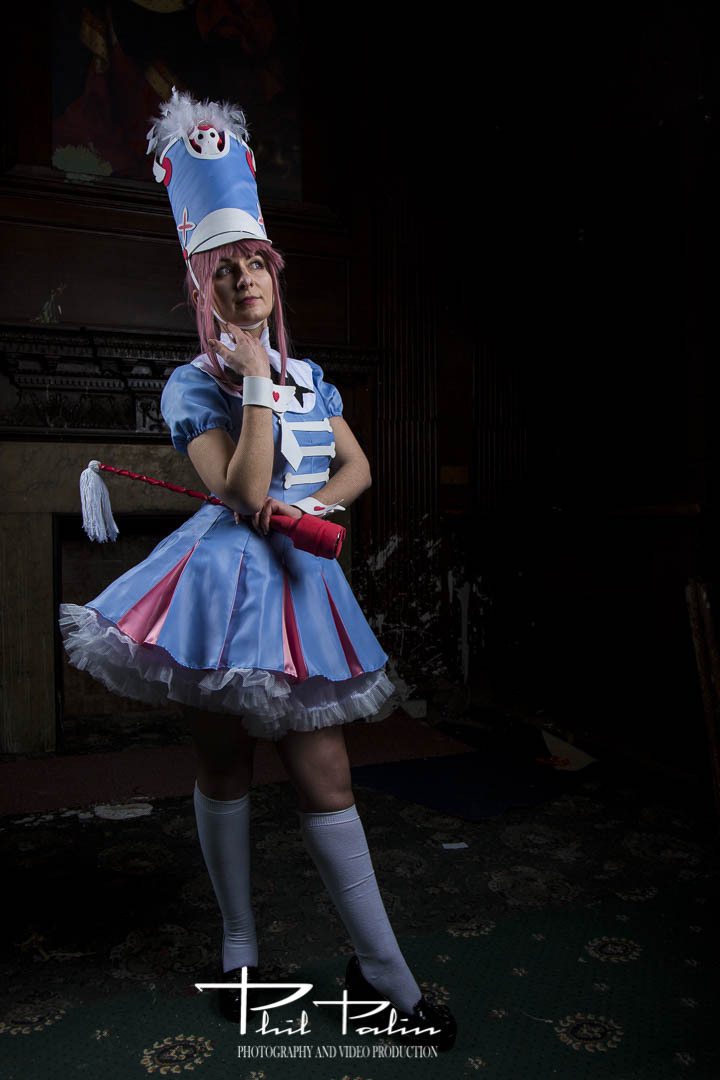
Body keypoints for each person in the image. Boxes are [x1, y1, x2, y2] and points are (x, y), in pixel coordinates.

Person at [59, 90, 456, 1051]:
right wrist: (248, 383)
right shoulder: (194, 383)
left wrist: (322, 508)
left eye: (255, 265)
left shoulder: (312, 378)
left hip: (301, 586)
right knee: (224, 764)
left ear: (275, 275)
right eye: (224, 269)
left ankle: (385, 974)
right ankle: (239, 952)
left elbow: (357, 467)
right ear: (203, 286)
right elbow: (237, 491)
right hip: (217, 591)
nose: (244, 281)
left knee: (328, 778)